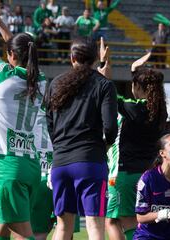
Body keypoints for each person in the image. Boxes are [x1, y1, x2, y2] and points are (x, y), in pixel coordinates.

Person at [0, 0, 46, 238]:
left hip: (9, 165)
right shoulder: (40, 80)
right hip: (31, 165)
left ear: (11, 56)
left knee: (22, 233)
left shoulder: (5, 76)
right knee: (2, 222)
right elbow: (18, 48)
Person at [46, 37, 118, 240]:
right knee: (94, 227)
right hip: (90, 161)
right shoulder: (104, 85)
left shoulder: (56, 83)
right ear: (95, 59)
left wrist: (60, 146)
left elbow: (49, 122)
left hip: (60, 163)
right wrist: (105, 145)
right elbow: (111, 127)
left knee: (62, 227)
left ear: (72, 58)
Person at [106, 55, 168, 240]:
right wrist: (135, 71)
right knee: (140, 221)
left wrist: (105, 71)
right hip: (148, 173)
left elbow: (109, 96)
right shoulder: (159, 109)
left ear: (138, 87)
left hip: (125, 174)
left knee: (116, 221)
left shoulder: (134, 108)